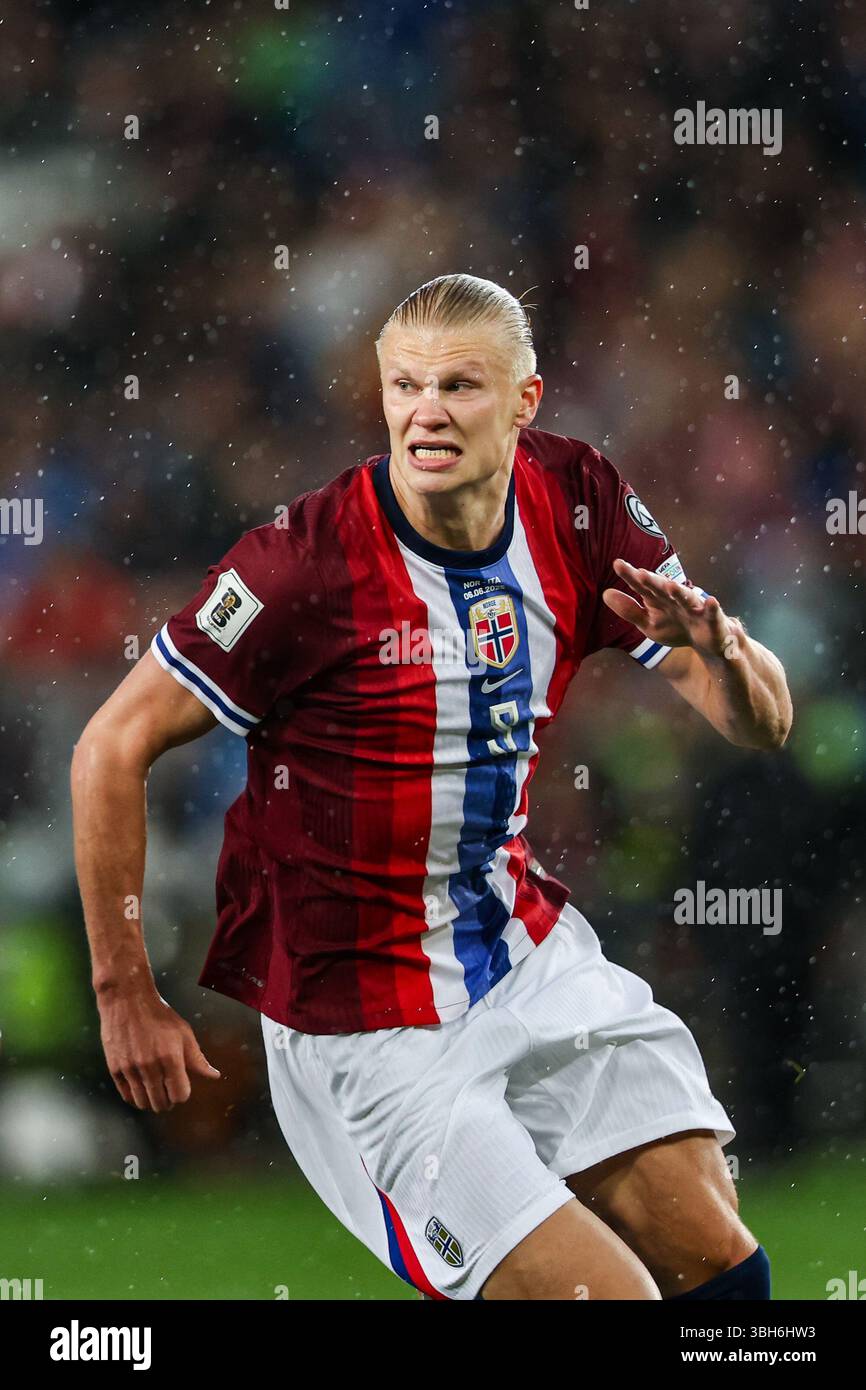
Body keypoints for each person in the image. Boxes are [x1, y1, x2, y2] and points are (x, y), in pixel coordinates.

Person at [72, 274, 792, 1301]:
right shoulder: (302, 565)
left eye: (458, 385)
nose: (425, 411)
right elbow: (109, 745)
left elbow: (759, 721)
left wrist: (722, 659)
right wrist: (123, 992)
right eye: (404, 385)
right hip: (367, 1023)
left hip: (519, 954)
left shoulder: (578, 499)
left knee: (724, 1274)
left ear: (524, 400)